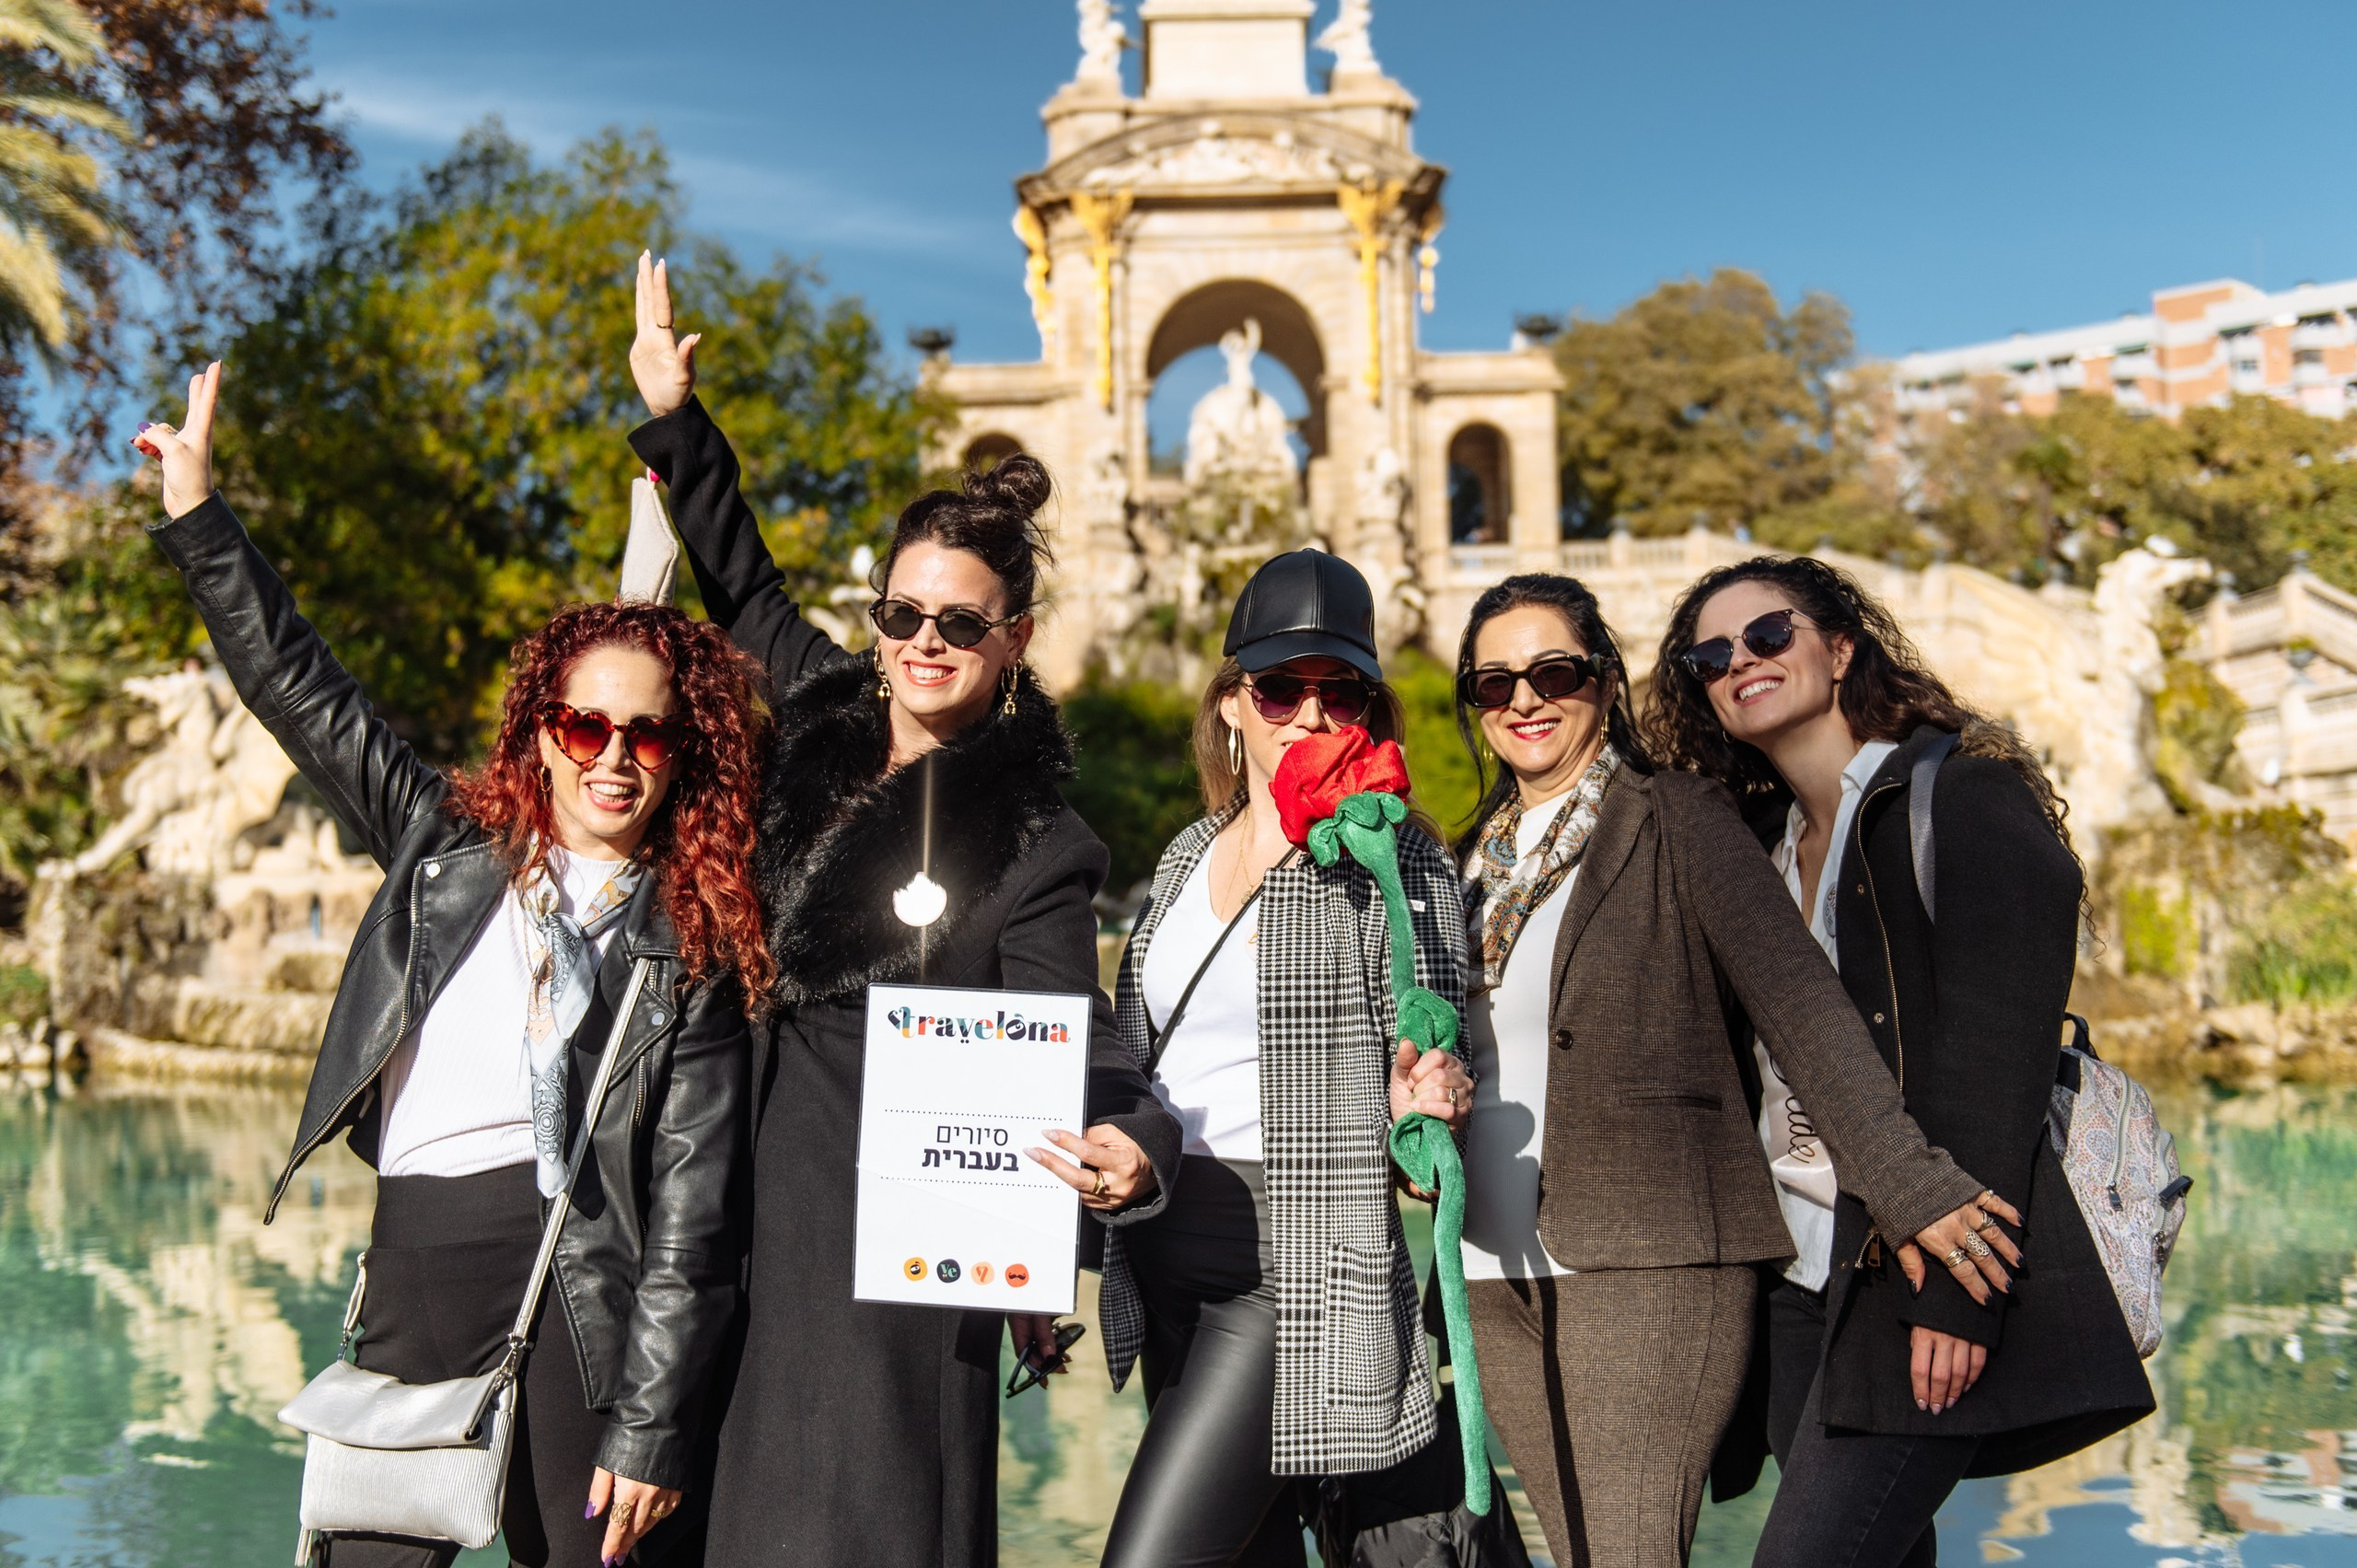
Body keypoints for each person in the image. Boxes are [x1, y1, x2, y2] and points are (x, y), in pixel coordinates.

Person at [133, 364, 764, 1568]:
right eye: (587, 725)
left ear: (682, 754)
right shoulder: (449, 854)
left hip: (580, 1285)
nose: (615, 756)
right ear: (542, 729)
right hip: (418, 1262)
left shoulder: (684, 947)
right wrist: (198, 512)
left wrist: (652, 1421)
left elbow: (693, 1220)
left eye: (649, 732)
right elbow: (297, 688)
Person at [622, 254, 1182, 1566]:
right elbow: (743, 582)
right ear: (875, 621)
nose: (927, 639)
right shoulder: (816, 708)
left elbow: (1071, 1037)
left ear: (1015, 639)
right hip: (721, 1205)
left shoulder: (1042, 844)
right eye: (903, 611)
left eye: (962, 622)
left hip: (891, 1256)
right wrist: (674, 416)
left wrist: (1134, 1135)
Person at [1443, 573, 2021, 1568]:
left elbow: (1800, 1006)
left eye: (1553, 672)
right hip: (1495, 1262)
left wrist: (1910, 1184)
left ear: (1605, 684)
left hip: (1653, 1261)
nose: (1524, 700)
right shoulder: (1462, 861)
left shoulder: (1675, 816)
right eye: (1494, 683)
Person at [1647, 557, 2154, 1568]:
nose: (1738, 661)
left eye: (1767, 634)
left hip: (1919, 1262)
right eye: (1709, 655)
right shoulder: (1756, 836)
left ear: (1840, 647)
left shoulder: (1956, 795)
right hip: (1797, 1272)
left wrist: (1954, 1297)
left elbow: (1994, 1062)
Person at [1093, 549, 1477, 1568]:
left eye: (1338, 691)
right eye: (1278, 688)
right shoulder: (1183, 855)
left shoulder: (1392, 856)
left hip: (1288, 1271)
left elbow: (1434, 1031)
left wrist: (1426, 1095)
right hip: (1161, 1247)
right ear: (1230, 703)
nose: (1307, 715)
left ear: (1367, 709)